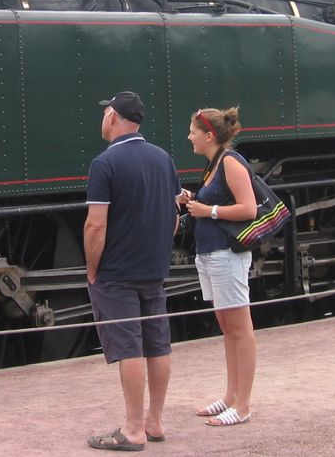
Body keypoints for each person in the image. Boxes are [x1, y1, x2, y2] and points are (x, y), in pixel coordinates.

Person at [84, 91, 181, 452]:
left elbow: (96, 226)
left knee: (129, 349)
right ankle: (155, 422)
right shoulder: (163, 159)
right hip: (153, 269)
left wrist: (93, 269)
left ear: (112, 116)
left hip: (117, 272)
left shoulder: (104, 165)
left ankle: (134, 429)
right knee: (157, 344)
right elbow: (172, 219)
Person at [180, 106, 257, 426]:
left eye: (193, 132)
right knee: (228, 328)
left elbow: (249, 209)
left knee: (240, 329)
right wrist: (192, 203)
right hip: (211, 254)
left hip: (227, 254)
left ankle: (243, 405)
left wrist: (207, 210)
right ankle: (230, 396)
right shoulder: (213, 166)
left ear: (209, 135)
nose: (189, 137)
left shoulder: (230, 162)